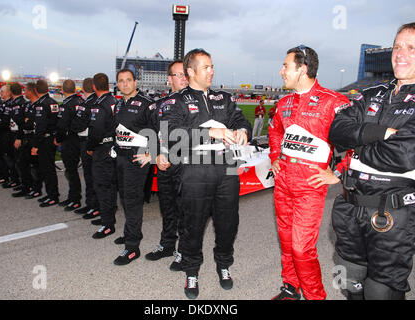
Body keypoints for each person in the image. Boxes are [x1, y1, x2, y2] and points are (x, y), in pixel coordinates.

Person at [328, 22, 415, 300]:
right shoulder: (371, 94)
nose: (401, 53)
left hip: (392, 216)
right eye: (398, 46)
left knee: (380, 291)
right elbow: (336, 129)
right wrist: (380, 135)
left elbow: (404, 154)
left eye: (411, 47)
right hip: (349, 210)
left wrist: (357, 147)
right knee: (348, 281)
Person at [160, 48, 252, 299]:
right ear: (191, 72)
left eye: (212, 67)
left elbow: (240, 121)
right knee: (192, 225)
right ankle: (191, 270)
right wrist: (210, 133)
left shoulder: (224, 98)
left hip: (227, 167)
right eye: (206, 67)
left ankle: (223, 265)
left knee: (228, 223)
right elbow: (171, 136)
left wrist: (244, 131)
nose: (211, 71)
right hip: (195, 170)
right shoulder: (176, 102)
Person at [268, 45, 350, 300]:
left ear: (302, 69)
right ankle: (290, 287)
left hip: (310, 185)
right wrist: (274, 158)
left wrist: (337, 172)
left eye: (285, 66)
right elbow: (274, 131)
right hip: (283, 182)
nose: (281, 71)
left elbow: (354, 143)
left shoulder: (334, 102)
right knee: (286, 241)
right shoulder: (283, 102)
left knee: (301, 248)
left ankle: (315, 296)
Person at [143, 60, 188, 271]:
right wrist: (156, 155)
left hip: (186, 164)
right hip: (164, 165)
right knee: (167, 207)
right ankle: (167, 245)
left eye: (185, 74)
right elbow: (152, 132)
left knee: (184, 210)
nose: (183, 78)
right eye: (178, 75)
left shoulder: (194, 102)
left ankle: (184, 251)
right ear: (169, 79)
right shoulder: (159, 104)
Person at [111, 69, 154, 265]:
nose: (125, 84)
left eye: (129, 80)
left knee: (132, 201)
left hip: (137, 160)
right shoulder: (119, 103)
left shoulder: (146, 104)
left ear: (135, 82)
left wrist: (151, 153)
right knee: (125, 199)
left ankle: (132, 247)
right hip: (120, 158)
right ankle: (131, 231)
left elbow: (159, 130)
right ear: (118, 84)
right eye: (121, 81)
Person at [86, 73, 118, 239]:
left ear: (94, 86)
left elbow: (96, 130)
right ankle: (108, 216)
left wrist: (90, 146)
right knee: (110, 185)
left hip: (102, 149)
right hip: (111, 147)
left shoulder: (100, 104)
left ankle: (107, 224)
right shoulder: (114, 101)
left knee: (102, 186)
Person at [69, 78, 100, 219]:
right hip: (90, 141)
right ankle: (91, 204)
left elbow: (78, 124)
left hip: (88, 141)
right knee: (90, 175)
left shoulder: (89, 103)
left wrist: (72, 126)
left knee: (91, 176)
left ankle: (94, 205)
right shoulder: (93, 101)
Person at [54, 80, 84, 211]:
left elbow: (61, 125)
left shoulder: (66, 104)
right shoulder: (81, 101)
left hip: (70, 141)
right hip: (81, 140)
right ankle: (74, 197)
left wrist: (58, 139)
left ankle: (75, 199)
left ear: (63, 90)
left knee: (71, 171)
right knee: (75, 171)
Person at [31, 80, 60, 207]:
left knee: (47, 169)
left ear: (36, 91)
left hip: (44, 140)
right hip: (51, 139)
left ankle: (52, 196)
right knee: (49, 168)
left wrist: (36, 145)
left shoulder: (41, 104)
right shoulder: (53, 102)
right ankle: (51, 194)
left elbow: (40, 127)